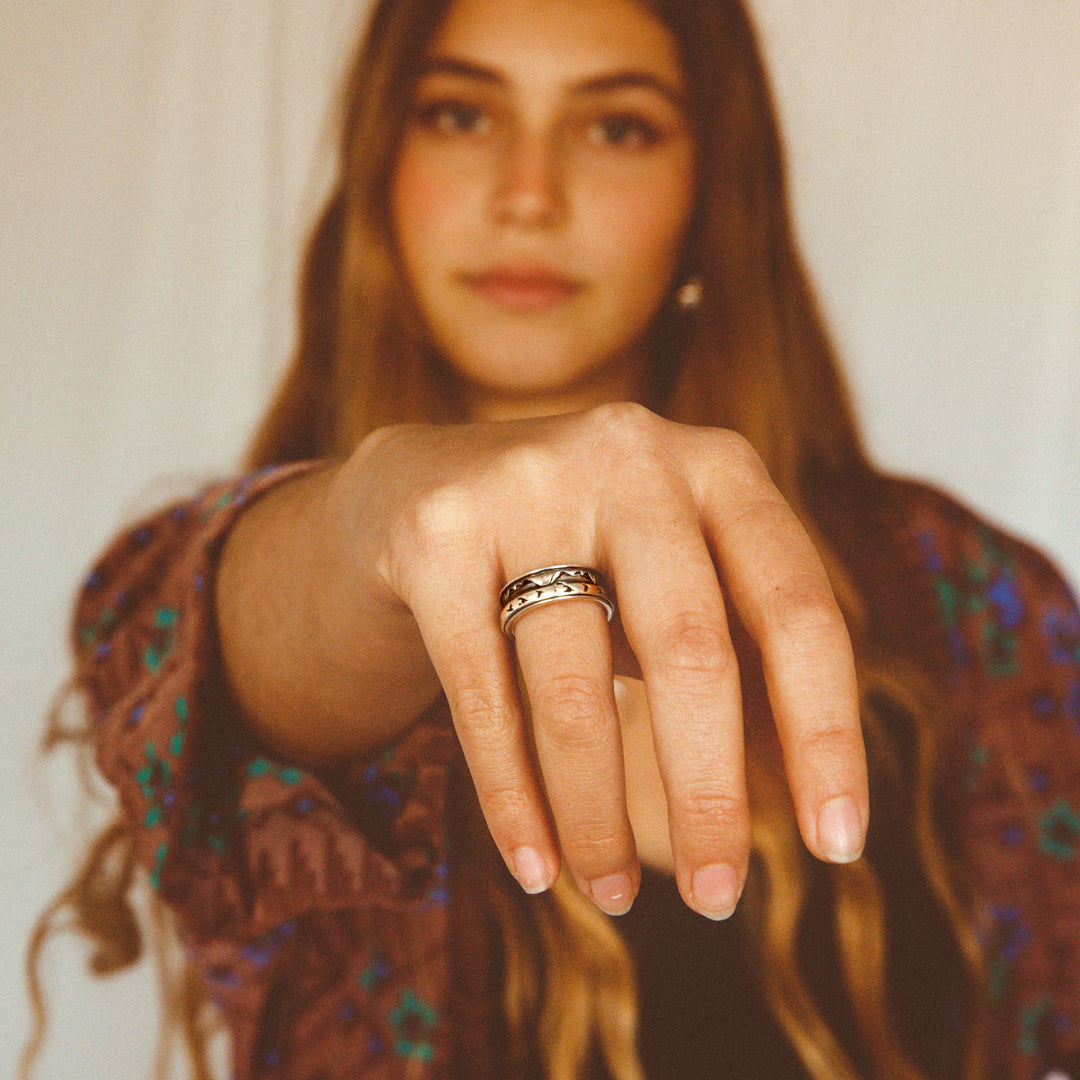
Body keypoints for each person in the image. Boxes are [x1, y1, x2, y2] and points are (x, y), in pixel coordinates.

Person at [23, 0, 1080, 1077]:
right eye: (459, 115)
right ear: (380, 163)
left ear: (712, 188)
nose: (528, 196)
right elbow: (193, 645)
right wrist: (383, 514)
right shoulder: (261, 576)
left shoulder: (974, 604)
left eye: (616, 127)